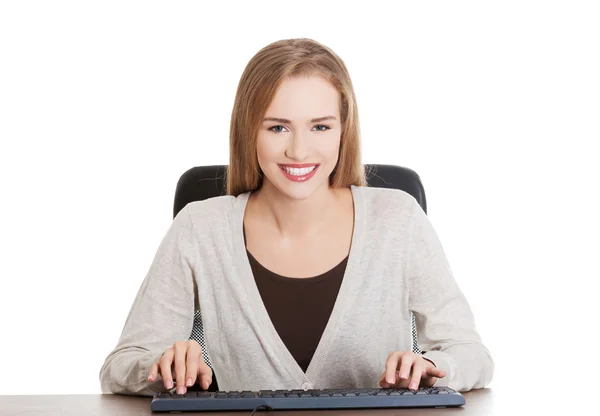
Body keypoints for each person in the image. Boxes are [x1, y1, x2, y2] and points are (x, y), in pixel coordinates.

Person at [99, 38, 494, 397]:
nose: (299, 151)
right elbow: (119, 366)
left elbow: (471, 353)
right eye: (277, 128)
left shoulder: (399, 219)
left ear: (344, 131)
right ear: (248, 131)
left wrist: (433, 366)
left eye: (320, 126)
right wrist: (160, 367)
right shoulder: (199, 228)